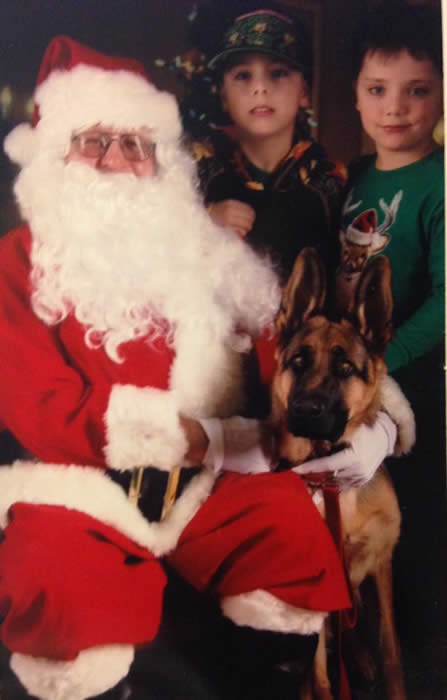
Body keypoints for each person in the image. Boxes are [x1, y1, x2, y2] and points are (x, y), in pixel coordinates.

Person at [0, 35, 405, 700]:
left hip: (207, 481)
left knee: (293, 541)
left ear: (159, 163)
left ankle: (263, 676)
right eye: (94, 141)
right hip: (83, 484)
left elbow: (284, 351)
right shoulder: (17, 261)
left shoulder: (195, 246)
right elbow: (34, 400)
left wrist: (374, 423)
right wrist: (182, 436)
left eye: (136, 145)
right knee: (58, 588)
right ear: (54, 157)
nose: (116, 160)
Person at [339, 0, 445, 685]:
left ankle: (423, 663)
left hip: (413, 381)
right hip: (352, 389)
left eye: (417, 90)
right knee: (355, 523)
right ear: (355, 94)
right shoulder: (350, 178)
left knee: (414, 533)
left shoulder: (439, 181)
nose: (395, 108)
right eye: (377, 89)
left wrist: (385, 363)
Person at [178, 1, 347, 287]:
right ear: (224, 97)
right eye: (243, 76)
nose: (260, 88)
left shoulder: (330, 180)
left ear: (304, 92)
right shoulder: (201, 170)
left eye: (278, 73)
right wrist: (206, 222)